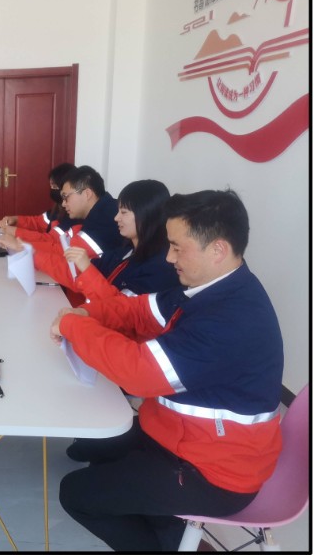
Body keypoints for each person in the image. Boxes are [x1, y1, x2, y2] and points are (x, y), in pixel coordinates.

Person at [49, 189, 284, 552]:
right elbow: (139, 311)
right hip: (178, 436)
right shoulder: (210, 287)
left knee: (76, 493)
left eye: (176, 247)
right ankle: (167, 527)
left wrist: (73, 326)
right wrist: (86, 313)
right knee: (95, 449)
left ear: (217, 250)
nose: (169, 257)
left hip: (215, 471)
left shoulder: (232, 319)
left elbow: (139, 372)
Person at [0, 180, 179, 302]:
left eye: (123, 213)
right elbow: (75, 269)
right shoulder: (127, 251)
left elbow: (123, 312)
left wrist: (22, 241)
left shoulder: (160, 267)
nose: (116, 218)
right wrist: (29, 251)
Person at [0, 162, 78, 239]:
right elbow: (39, 223)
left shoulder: (74, 216)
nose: (52, 189)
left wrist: (16, 232)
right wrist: (15, 220)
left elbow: (51, 240)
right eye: (51, 186)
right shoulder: (58, 208)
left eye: (55, 187)